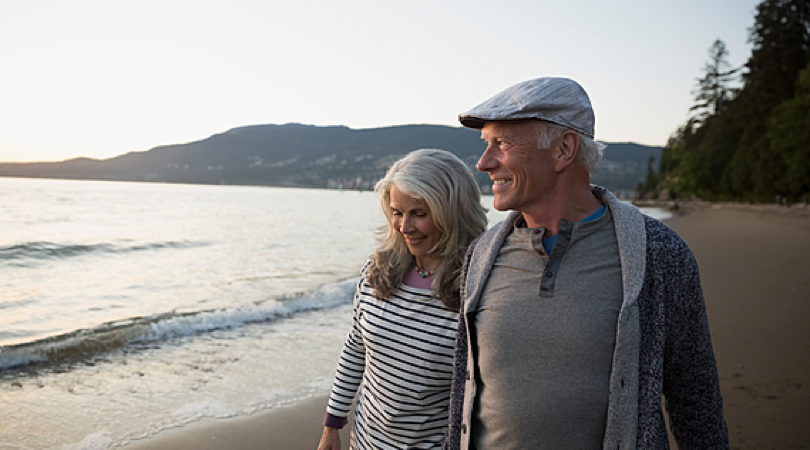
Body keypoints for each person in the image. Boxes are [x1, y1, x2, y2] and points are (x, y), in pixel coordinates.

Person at [443, 77, 729, 449]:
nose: (484, 163)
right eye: (486, 145)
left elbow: (696, 399)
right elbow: (462, 397)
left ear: (564, 149)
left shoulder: (659, 254)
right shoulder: (481, 254)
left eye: (503, 143)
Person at [317, 148, 489, 450]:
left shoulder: (477, 287)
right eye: (397, 212)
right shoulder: (376, 270)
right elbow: (356, 347)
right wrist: (332, 425)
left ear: (452, 212)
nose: (404, 226)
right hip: (365, 441)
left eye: (419, 214)